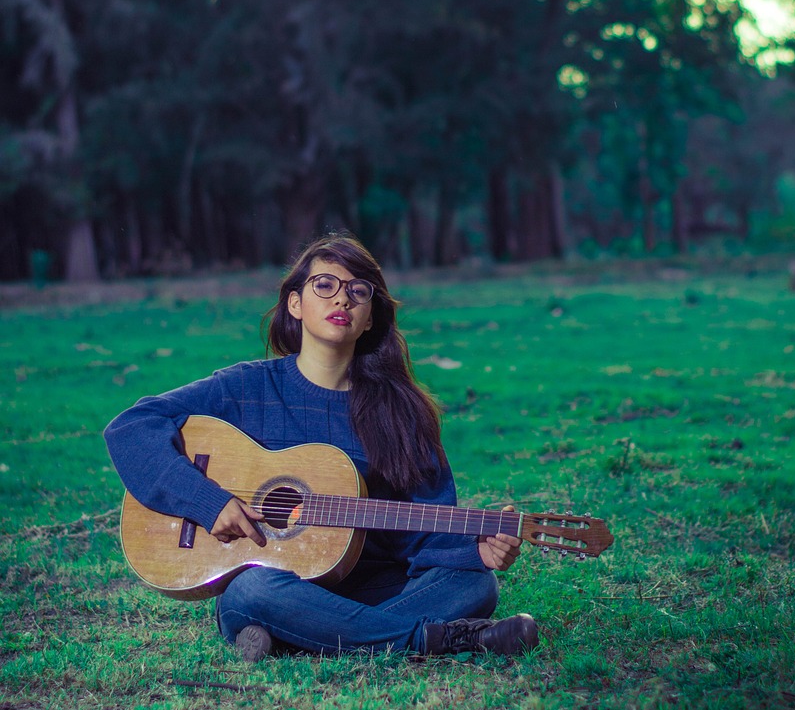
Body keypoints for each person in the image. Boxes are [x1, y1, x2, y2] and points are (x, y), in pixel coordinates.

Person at [104, 233, 538, 662]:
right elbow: (130, 427)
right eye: (325, 285)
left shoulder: (403, 413)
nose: (342, 299)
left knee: (476, 584)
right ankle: (428, 640)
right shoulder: (244, 387)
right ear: (295, 304)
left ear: (370, 318)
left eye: (358, 291)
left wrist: (475, 550)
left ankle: (304, 636)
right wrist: (208, 502)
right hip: (278, 582)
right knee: (252, 591)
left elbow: (419, 535)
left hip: (372, 585)